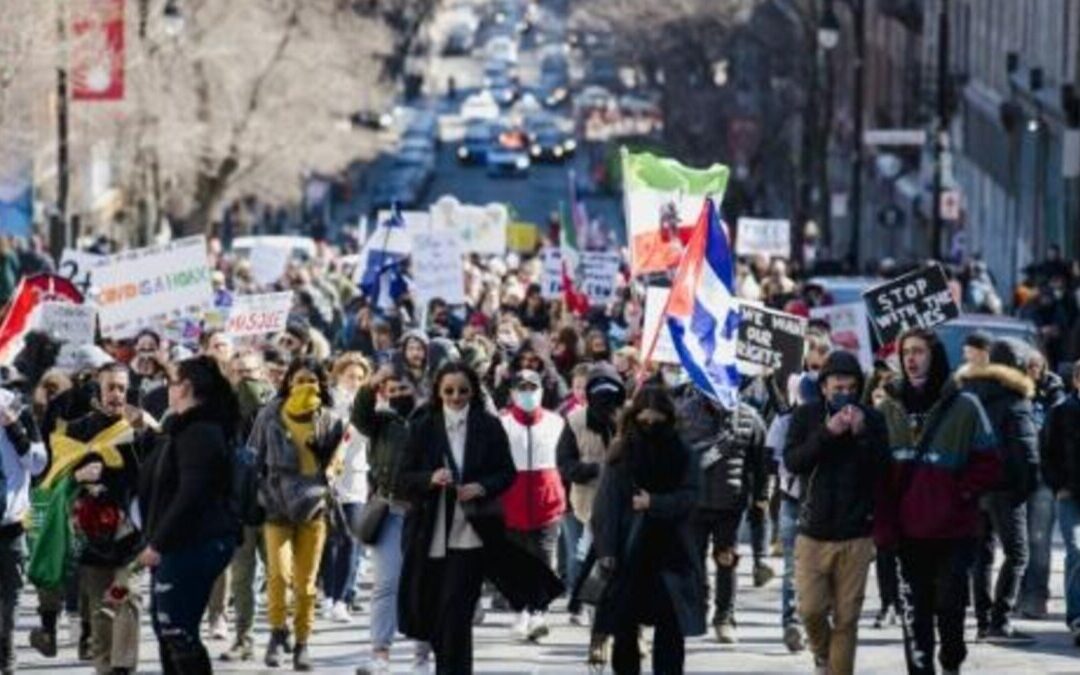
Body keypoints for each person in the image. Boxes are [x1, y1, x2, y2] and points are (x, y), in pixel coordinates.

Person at [397, 362, 561, 673]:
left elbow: (507, 473)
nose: (456, 397)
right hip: (431, 531)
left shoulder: (488, 424)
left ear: (473, 392)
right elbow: (402, 478)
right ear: (438, 392)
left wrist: (482, 486)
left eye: (463, 391)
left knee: (457, 608)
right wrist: (430, 478)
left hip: (475, 529)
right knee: (439, 608)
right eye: (449, 391)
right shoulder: (422, 426)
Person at [875, 329, 1002, 675]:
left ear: (935, 356)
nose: (911, 359)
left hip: (954, 532)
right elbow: (877, 475)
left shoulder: (966, 405)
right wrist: (883, 525)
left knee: (949, 607)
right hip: (907, 532)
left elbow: (990, 462)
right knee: (914, 614)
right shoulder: (886, 408)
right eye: (906, 353)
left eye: (918, 351)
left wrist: (959, 493)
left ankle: (951, 663)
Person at [786, 351, 889, 675]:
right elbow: (793, 461)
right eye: (836, 387)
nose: (843, 393)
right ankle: (821, 655)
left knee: (847, 619)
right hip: (813, 532)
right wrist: (827, 433)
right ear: (824, 387)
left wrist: (861, 436)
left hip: (856, 534)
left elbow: (883, 471)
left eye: (849, 388)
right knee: (811, 610)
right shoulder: (806, 416)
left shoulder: (872, 419)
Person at [137, 356, 242, 673]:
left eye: (171, 382)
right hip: (181, 543)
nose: (167, 388)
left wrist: (158, 543)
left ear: (185, 388)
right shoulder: (183, 428)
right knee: (167, 629)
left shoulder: (201, 431)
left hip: (196, 543)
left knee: (177, 631)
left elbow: (191, 495)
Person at [49, 363, 155, 675]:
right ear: (98, 390)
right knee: (100, 609)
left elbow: (160, 469)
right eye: (111, 387)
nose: (116, 395)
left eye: (122, 388)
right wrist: (78, 476)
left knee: (127, 596)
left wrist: (147, 432)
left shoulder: (139, 428)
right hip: (90, 532)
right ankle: (105, 667)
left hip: (131, 532)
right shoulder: (77, 429)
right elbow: (54, 480)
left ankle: (123, 668)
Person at [591, 385, 705, 674]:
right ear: (634, 418)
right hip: (629, 553)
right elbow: (606, 507)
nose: (650, 426)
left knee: (670, 631)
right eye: (644, 420)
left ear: (669, 418)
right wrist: (606, 551)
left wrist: (655, 503)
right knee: (625, 630)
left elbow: (691, 498)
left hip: (672, 553)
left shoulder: (683, 453)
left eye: (657, 420)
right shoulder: (621, 453)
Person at [250, 357, 345, 670]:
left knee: (305, 584)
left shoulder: (329, 419)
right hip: (276, 505)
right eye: (299, 379)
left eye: (312, 380)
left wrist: (330, 471)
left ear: (321, 385)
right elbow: (253, 457)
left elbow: (337, 458)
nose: (306, 385)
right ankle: (278, 632)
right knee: (278, 575)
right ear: (288, 382)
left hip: (313, 507)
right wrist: (253, 493)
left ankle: (302, 643)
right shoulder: (270, 415)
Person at [672, 371, 767, 644]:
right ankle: (698, 611)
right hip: (693, 505)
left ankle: (725, 617)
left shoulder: (749, 417)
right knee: (694, 562)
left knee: (727, 562)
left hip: (730, 506)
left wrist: (760, 500)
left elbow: (761, 464)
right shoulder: (684, 414)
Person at [352, 364, 431, 675]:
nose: (398, 395)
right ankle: (380, 654)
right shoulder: (382, 422)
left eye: (404, 390)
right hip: (390, 511)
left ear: (418, 390)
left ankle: (422, 657)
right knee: (386, 585)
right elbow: (359, 417)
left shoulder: (432, 421)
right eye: (393, 390)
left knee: (423, 586)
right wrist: (371, 383)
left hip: (425, 515)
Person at [960, 338, 1039, 643]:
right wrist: (1028, 486)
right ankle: (999, 622)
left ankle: (983, 621)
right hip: (1007, 488)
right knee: (1018, 554)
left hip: (978, 487)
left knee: (983, 554)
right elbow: (1026, 450)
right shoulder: (1015, 399)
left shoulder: (972, 394)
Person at [499, 370, 567, 642]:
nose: (527, 392)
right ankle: (521, 611)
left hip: (546, 500)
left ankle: (538, 611)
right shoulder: (501, 423)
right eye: (521, 387)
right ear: (513, 392)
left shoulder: (556, 422)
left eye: (532, 387)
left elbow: (564, 459)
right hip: (511, 501)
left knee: (542, 558)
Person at [220, 349, 275, 662]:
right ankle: (244, 637)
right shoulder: (224, 411)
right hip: (239, 508)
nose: (244, 379)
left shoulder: (276, 407)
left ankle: (284, 635)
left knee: (280, 576)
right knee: (242, 579)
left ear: (263, 373)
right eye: (238, 372)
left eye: (250, 372)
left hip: (272, 505)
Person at [0, 377, 46, 674]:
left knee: (10, 595)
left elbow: (39, 464)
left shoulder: (17, 407)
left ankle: (5, 645)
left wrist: (13, 427)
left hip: (11, 523)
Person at [1018, 349, 1067, 619]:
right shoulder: (1012, 392)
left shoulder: (1055, 396)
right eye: (1028, 365)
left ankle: (1036, 596)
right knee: (1017, 541)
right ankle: (1017, 592)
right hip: (1016, 476)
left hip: (1043, 477)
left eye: (1037, 365)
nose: (1033, 370)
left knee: (1039, 540)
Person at [322, 353, 370, 623]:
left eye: (360, 377)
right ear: (338, 375)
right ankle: (327, 594)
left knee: (352, 538)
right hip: (328, 478)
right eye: (350, 376)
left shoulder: (368, 405)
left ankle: (342, 598)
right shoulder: (327, 404)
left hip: (356, 478)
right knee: (330, 539)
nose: (355, 381)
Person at [1041, 358, 1080, 643]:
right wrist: (1059, 486)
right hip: (1071, 495)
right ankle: (1077, 616)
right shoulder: (1062, 411)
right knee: (1077, 551)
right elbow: (1047, 453)